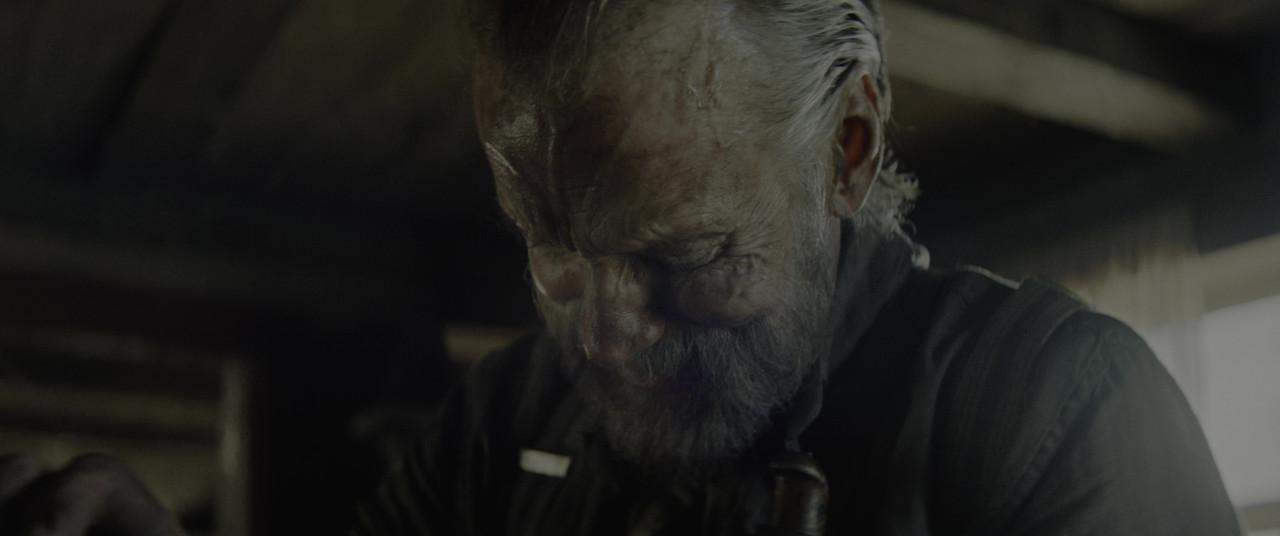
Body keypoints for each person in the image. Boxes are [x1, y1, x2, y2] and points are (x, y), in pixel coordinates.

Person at [0, 0, 1242, 534]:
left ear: (846, 148)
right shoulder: (498, 427)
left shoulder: (1052, 414)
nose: (600, 329)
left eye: (682, 253)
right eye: (547, 243)